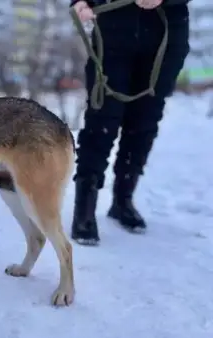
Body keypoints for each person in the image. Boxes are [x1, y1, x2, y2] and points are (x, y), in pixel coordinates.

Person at [70, 0, 192, 246]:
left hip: (166, 33)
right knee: (101, 118)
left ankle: (123, 199)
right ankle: (84, 207)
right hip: (114, 27)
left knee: (145, 122)